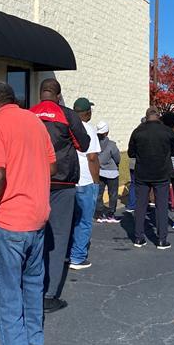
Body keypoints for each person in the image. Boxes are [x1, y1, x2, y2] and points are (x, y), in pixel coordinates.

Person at [0, 82, 56, 345]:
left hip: (9, 223)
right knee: (32, 287)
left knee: (7, 296)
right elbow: (51, 166)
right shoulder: (35, 122)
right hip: (38, 219)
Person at [30, 80, 90, 312]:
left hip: (33, 180)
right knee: (59, 235)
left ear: (40, 93)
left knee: (34, 235)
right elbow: (83, 144)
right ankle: (49, 294)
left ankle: (30, 289)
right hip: (62, 181)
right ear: (58, 95)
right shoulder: (67, 115)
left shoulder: (29, 114)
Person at [128, 108, 174, 249]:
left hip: (142, 172)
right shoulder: (167, 131)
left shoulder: (138, 131)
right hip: (161, 173)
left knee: (141, 205)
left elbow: (131, 153)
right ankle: (162, 239)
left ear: (146, 116)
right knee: (161, 206)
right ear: (158, 117)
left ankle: (138, 237)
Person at [69, 99, 101, 270]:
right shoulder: (88, 129)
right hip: (86, 180)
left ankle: (67, 253)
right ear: (87, 113)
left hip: (68, 180)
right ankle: (78, 256)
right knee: (84, 220)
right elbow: (93, 158)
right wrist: (96, 182)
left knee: (69, 219)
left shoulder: (67, 127)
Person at [95, 121, 121, 223]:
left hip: (100, 171)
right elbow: (117, 158)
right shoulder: (111, 145)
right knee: (113, 194)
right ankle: (111, 214)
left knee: (99, 194)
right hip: (112, 173)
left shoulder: (95, 143)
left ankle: (100, 214)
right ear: (107, 132)